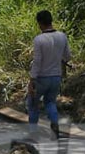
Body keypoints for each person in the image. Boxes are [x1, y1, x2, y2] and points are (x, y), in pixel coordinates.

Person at [27, 10, 72, 138]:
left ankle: (33, 133)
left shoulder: (39, 39)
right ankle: (55, 126)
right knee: (50, 102)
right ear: (51, 21)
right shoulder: (62, 36)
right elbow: (68, 56)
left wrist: (32, 80)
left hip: (41, 78)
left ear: (40, 23)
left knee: (33, 104)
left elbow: (37, 62)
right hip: (56, 77)